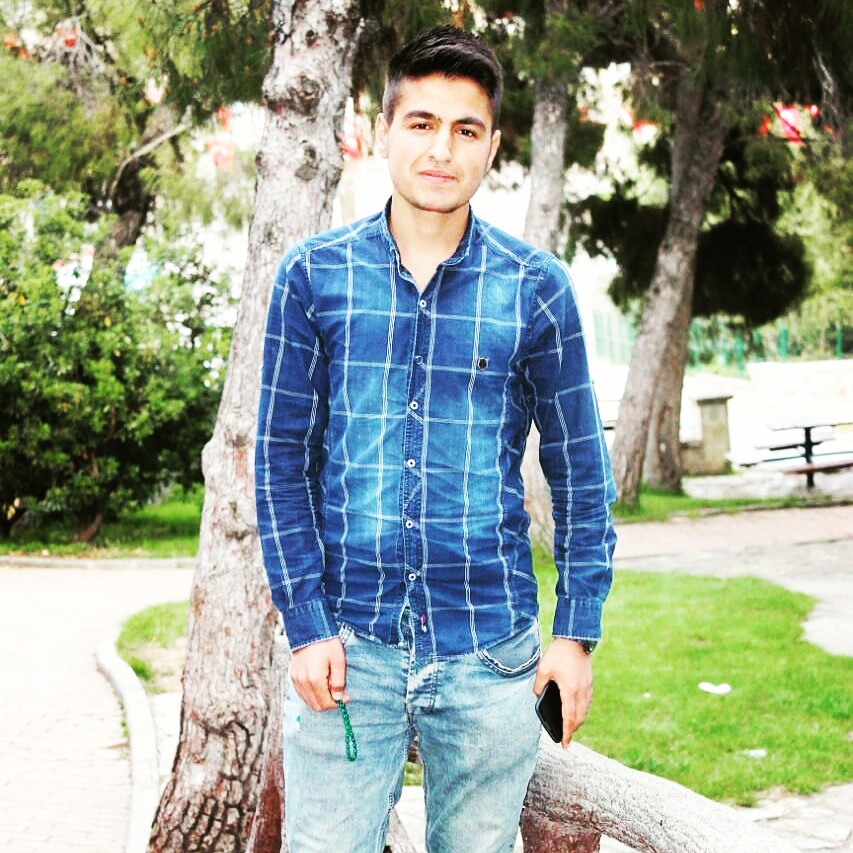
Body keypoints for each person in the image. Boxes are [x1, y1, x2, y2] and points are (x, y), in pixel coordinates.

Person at [255, 24, 616, 853]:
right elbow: (279, 464)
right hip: (346, 649)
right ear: (382, 130)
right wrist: (305, 623)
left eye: (464, 129)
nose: (440, 148)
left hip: (489, 653)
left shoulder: (535, 288)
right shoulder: (313, 276)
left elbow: (579, 471)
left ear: (491, 146)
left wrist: (574, 633)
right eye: (420, 123)